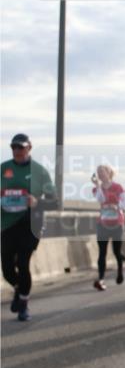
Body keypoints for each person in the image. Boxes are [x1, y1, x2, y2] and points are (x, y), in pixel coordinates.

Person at [1, 133, 57, 321]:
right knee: (7, 269)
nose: (17, 150)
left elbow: (53, 201)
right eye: (14, 147)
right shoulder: (4, 169)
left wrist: (37, 201)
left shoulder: (39, 172)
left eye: (21, 147)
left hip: (31, 225)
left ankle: (24, 304)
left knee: (22, 264)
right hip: (7, 224)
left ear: (29, 147)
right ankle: (18, 287)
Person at [92, 165, 125, 290]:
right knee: (102, 252)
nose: (100, 174)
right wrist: (97, 186)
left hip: (117, 223)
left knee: (117, 251)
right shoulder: (97, 188)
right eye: (98, 173)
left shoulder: (118, 187)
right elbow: (101, 199)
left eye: (102, 172)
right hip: (103, 223)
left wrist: (117, 207)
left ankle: (121, 270)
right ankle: (101, 279)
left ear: (109, 173)